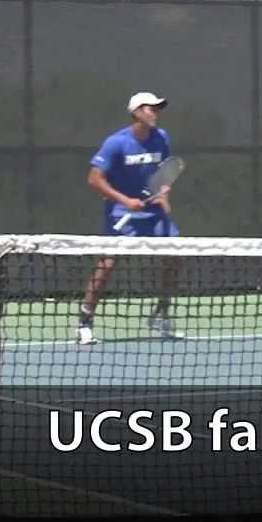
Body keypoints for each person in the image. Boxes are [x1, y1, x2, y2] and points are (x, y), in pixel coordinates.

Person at [76, 91, 183, 345]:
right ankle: (85, 321)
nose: (155, 113)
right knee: (108, 264)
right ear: (136, 112)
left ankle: (161, 314)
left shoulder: (162, 138)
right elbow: (94, 179)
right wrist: (126, 201)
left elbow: (166, 171)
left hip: (153, 212)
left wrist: (164, 195)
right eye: (150, 108)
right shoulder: (116, 143)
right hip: (122, 212)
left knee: (176, 258)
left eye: (158, 109)